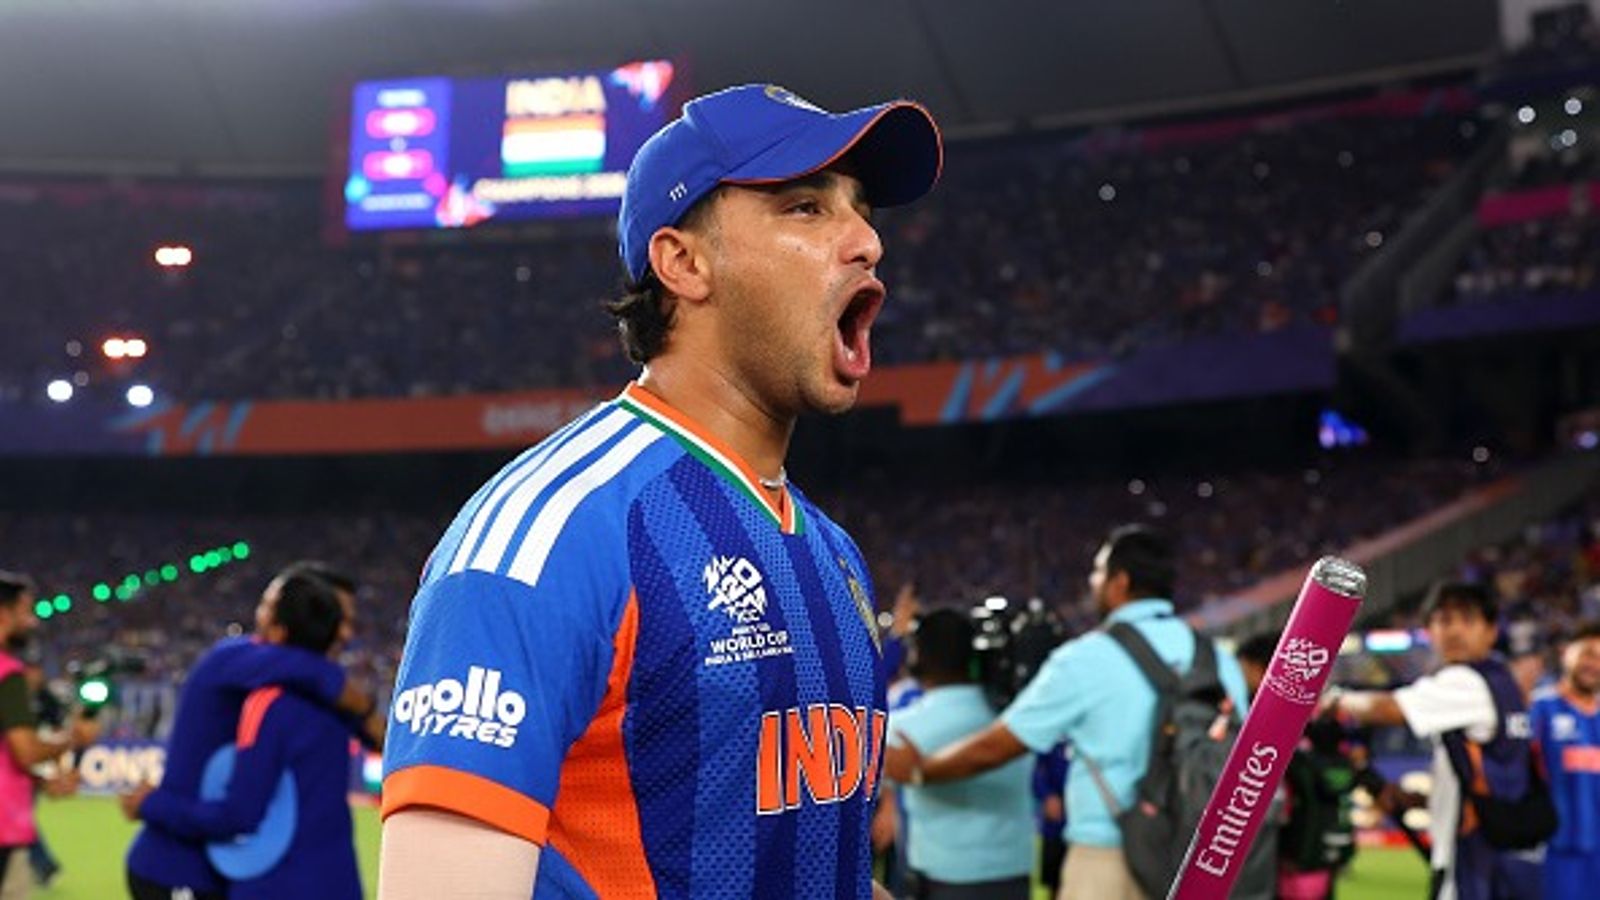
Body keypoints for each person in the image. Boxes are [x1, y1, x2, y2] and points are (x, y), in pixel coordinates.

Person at [378, 82, 942, 900]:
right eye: (805, 209)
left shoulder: (831, 552)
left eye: (861, 210)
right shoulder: (550, 535)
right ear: (684, 263)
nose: (866, 242)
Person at [886, 525, 1252, 900]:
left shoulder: (1088, 658)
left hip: (1111, 855)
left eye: (1098, 572)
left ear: (1119, 582)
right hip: (1200, 854)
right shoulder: (1217, 659)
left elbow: (996, 747)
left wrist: (920, 770)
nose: (1092, 583)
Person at [122, 563, 381, 900]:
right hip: (178, 866)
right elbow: (312, 670)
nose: (346, 634)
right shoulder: (239, 662)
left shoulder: (298, 692)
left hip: (228, 869)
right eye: (340, 620)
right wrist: (362, 706)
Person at [1324, 581, 1544, 900]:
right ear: (1428, 630)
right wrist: (1422, 801)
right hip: (1503, 851)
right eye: (1443, 620)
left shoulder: (1468, 680)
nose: (1454, 630)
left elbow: (1386, 708)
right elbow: (1491, 776)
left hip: (1473, 856)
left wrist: (1331, 700)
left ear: (1491, 630)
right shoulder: (1502, 681)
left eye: (1467, 619)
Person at [884, 609, 1032, 899]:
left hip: (941, 879)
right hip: (1014, 875)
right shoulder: (1016, 718)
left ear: (917, 658)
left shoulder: (902, 727)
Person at [0, 572, 97, 900]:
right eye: (25, 611)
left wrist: (42, 784)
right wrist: (73, 738)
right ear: (3, 613)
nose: (32, 622)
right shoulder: (8, 675)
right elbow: (24, 750)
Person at [1529, 620, 1600, 899]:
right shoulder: (1539, 708)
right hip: (1554, 851)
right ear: (1565, 652)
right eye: (1588, 654)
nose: (1594, 665)